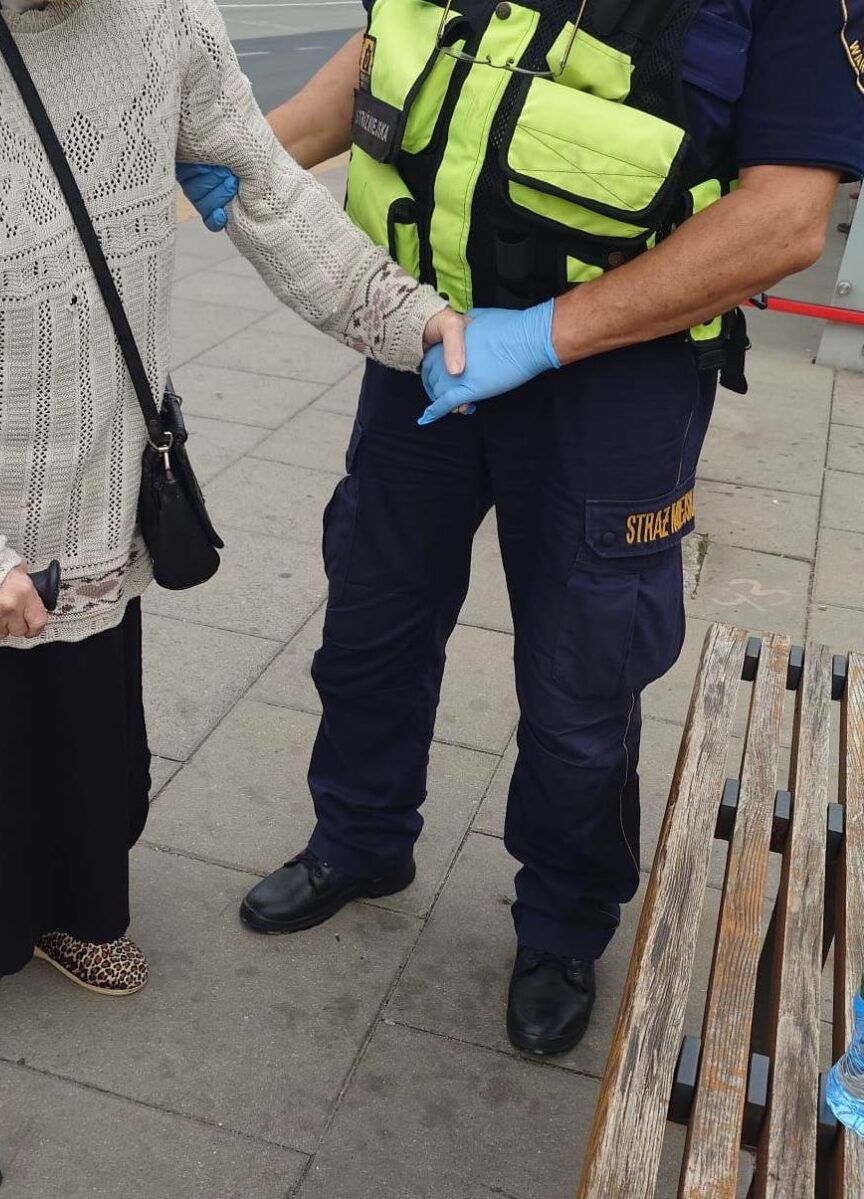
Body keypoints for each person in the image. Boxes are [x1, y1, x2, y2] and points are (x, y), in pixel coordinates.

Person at [0, 0, 463, 1094]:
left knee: (78, 717)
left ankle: (63, 903)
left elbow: (268, 185)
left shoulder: (163, 15)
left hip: (91, 460)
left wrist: (405, 314)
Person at [182, 0, 864, 1055]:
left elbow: (786, 218)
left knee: (581, 679)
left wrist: (549, 333)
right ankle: (359, 839)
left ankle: (560, 921)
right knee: (371, 618)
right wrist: (260, 154)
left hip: (617, 376)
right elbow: (385, 52)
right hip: (433, 337)